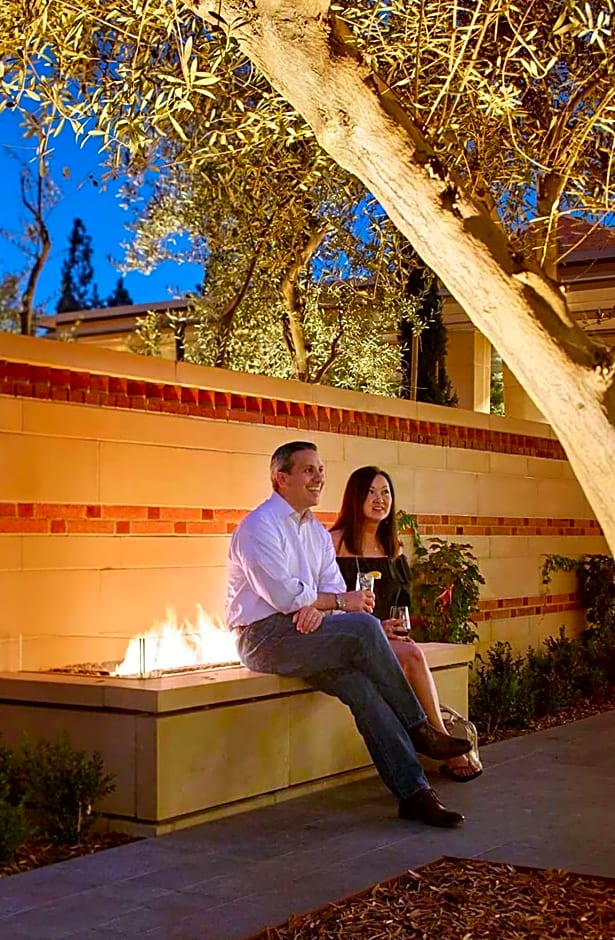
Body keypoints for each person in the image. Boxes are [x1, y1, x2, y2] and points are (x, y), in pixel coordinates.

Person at [226, 440, 471, 828]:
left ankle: (414, 793)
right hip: (264, 638)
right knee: (365, 626)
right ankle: (418, 728)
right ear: (280, 478)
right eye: (308, 470)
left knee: (362, 688)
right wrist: (331, 603)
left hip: (310, 632)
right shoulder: (259, 527)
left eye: (320, 469)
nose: (319, 477)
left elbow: (328, 589)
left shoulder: (316, 534)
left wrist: (320, 605)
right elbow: (287, 596)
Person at [330, 465, 482, 782]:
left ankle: (434, 739)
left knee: (411, 651)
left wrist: (394, 628)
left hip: (385, 638)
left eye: (386, 492)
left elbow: (401, 603)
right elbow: (326, 601)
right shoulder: (334, 543)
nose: (380, 499)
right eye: (371, 492)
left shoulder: (393, 547)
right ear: (355, 497)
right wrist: (375, 628)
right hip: (348, 636)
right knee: (412, 656)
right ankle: (442, 743)